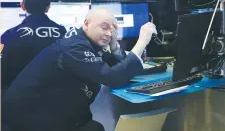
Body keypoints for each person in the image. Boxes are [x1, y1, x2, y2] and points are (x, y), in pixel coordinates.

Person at [3, 7, 157, 131]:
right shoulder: (74, 46)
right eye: (104, 27)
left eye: (113, 29)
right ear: (86, 23)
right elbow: (113, 77)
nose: (109, 33)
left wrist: (115, 45)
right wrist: (142, 42)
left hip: (56, 112)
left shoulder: (91, 44)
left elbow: (120, 66)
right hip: (31, 117)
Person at [1, 0, 66, 90]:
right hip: (55, 99)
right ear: (48, 7)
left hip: (18, 99)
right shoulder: (63, 33)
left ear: (23, 6)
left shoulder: (8, 36)